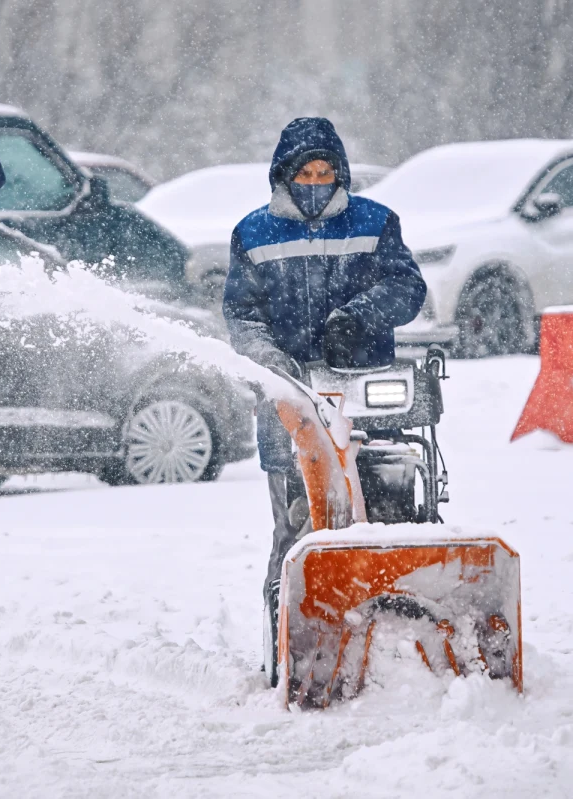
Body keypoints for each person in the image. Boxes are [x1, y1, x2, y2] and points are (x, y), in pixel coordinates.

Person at [221, 117, 426, 659]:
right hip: (290, 398)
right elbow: (242, 316)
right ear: (283, 175)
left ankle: (403, 629)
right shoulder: (253, 233)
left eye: (324, 172)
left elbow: (407, 286)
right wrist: (273, 364)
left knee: (394, 511)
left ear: (341, 174)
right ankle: (290, 645)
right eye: (305, 173)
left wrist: (358, 318)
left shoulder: (375, 222)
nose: (315, 182)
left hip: (363, 389)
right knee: (295, 527)